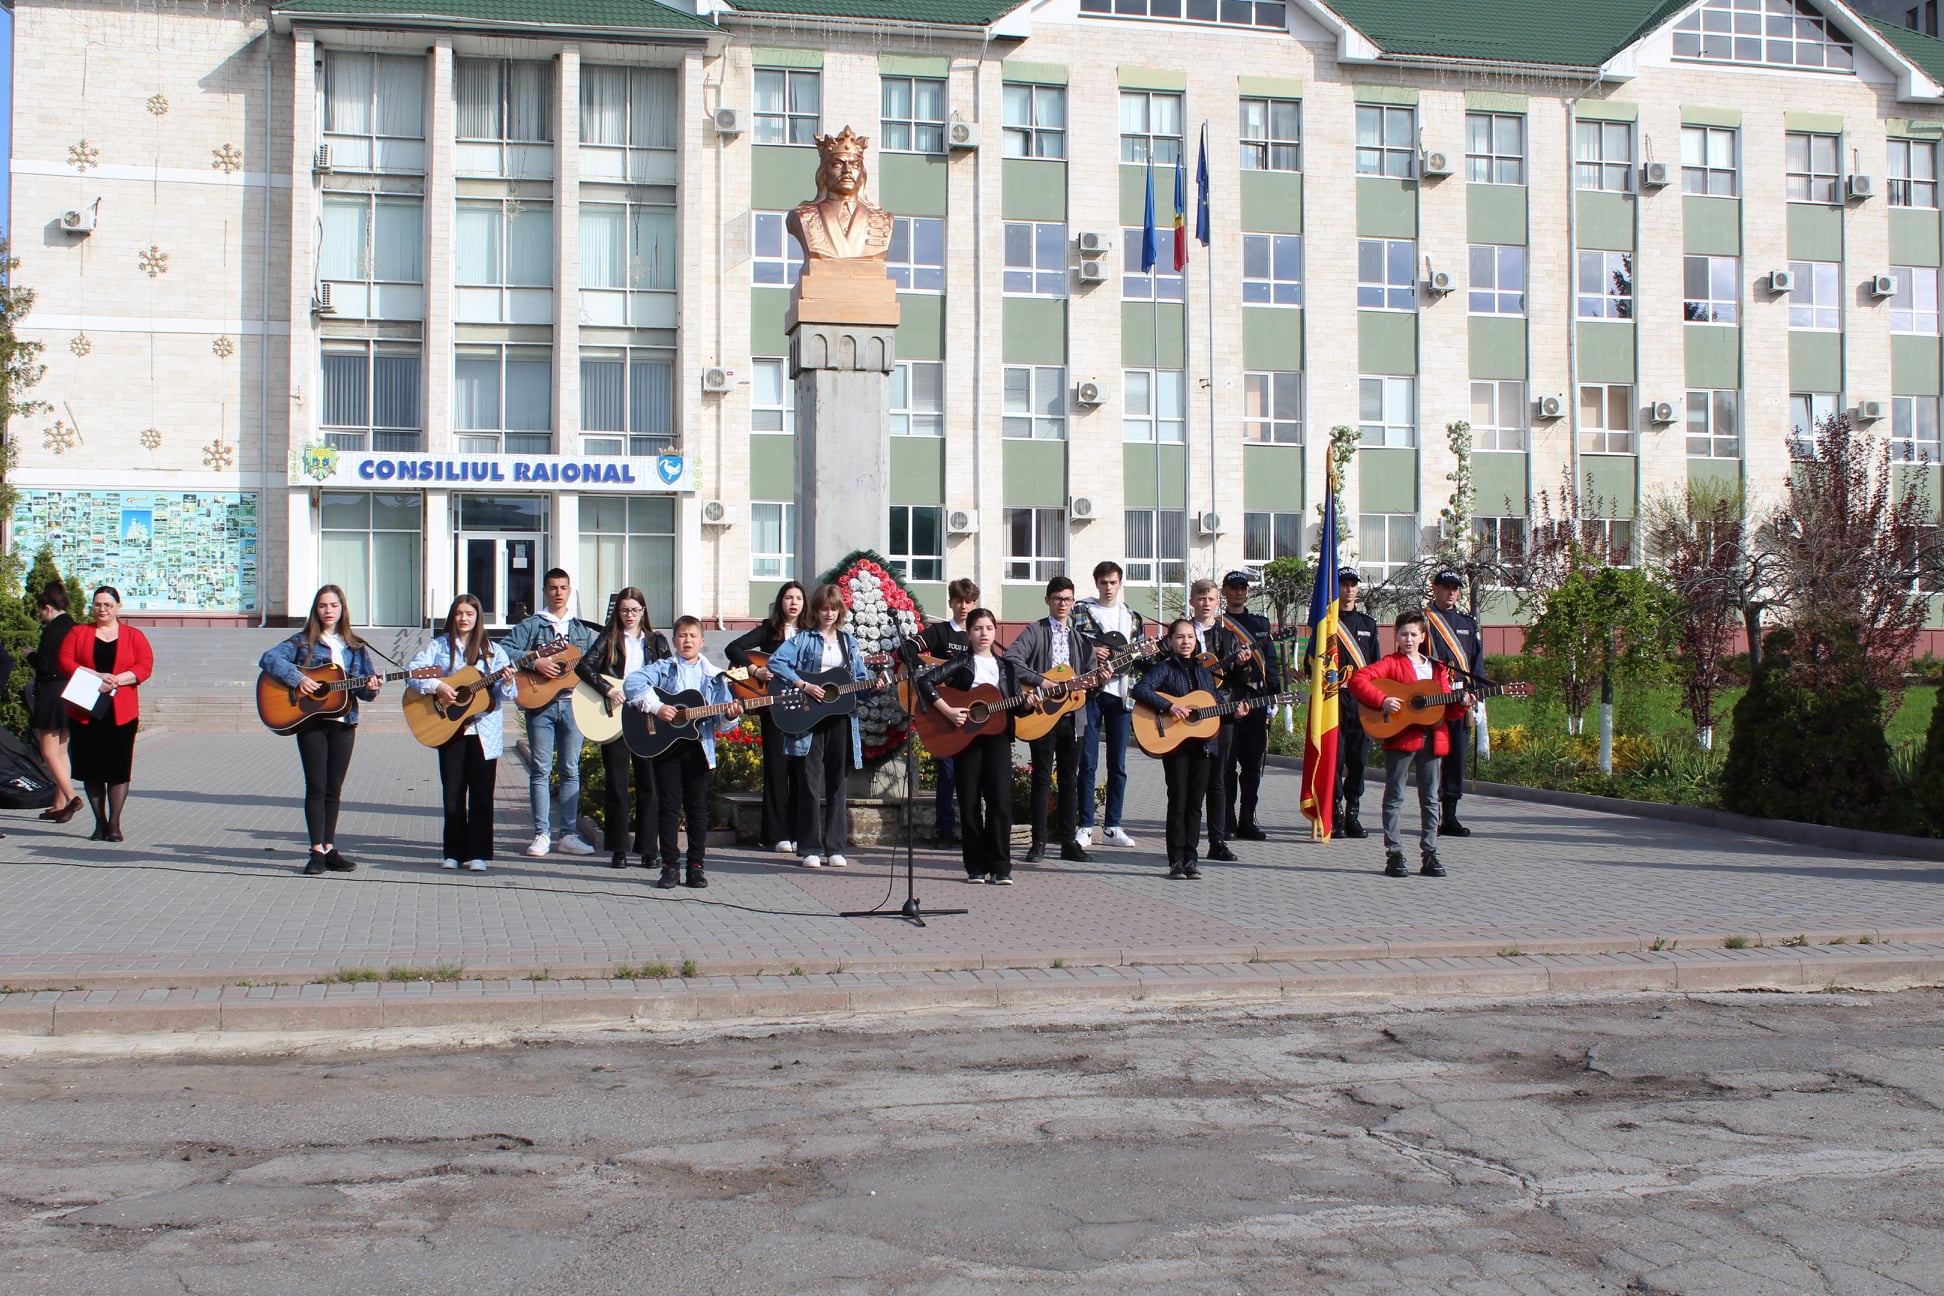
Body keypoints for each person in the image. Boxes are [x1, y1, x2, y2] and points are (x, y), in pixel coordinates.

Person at [257, 585, 384, 875]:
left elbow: (364, 691)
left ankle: (329, 848)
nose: (328, 611)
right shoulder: (303, 642)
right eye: (323, 605)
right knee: (316, 785)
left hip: (344, 722)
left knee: (334, 788)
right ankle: (315, 851)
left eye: (334, 605)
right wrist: (298, 679)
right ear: (316, 609)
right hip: (311, 722)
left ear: (342, 609)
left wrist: (372, 687)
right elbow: (269, 658)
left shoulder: (355, 646)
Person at [624, 616, 744, 890]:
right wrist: (657, 708)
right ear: (674, 640)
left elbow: (723, 723)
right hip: (667, 746)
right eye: (682, 636)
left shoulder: (715, 676)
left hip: (700, 747)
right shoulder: (664, 667)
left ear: (702, 641)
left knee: (697, 809)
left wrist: (730, 715)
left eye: (692, 636)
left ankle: (696, 866)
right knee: (668, 807)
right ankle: (669, 865)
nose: (687, 641)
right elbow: (632, 683)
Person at [767, 583, 881, 868]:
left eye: (834, 609)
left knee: (837, 783)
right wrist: (803, 684)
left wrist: (874, 685)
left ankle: (835, 847)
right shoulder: (803, 640)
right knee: (808, 783)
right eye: (824, 609)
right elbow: (776, 662)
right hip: (809, 719)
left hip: (841, 718)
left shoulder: (848, 643)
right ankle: (809, 848)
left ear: (840, 611)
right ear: (815, 611)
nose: (829, 614)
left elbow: (859, 683)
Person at [1347, 610, 1468, 878]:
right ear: (1396, 636)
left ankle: (1430, 853)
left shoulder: (1437, 668)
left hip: (1433, 738)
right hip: (1401, 736)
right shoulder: (1391, 663)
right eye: (1403, 634)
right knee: (1395, 796)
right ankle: (1394, 853)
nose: (1409, 639)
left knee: (1430, 798)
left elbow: (1445, 708)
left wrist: (1461, 704)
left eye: (1414, 634)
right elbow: (1357, 680)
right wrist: (1382, 700)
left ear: (1423, 637)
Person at [409, 594, 518, 873]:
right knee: (453, 793)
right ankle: (453, 852)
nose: (464, 619)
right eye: (459, 613)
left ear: (478, 617)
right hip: (450, 729)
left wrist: (507, 682)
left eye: (469, 613)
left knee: (482, 794)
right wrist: (438, 686)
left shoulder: (493, 651)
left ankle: (479, 853)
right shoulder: (439, 646)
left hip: (484, 731)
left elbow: (508, 694)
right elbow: (413, 671)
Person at [917, 607, 1024, 884]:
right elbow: (925, 681)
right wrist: (949, 711)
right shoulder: (962, 662)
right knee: (969, 802)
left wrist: (1031, 703)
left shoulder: (1007, 667)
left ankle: (1001, 866)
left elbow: (1019, 708)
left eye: (988, 628)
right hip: (966, 738)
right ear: (969, 633)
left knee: (1000, 802)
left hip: (998, 738)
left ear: (995, 631)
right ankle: (975, 866)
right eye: (977, 628)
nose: (983, 634)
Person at [501, 568, 601, 859]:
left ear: (570, 591)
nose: (558, 593)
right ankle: (541, 834)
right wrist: (535, 662)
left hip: (574, 706)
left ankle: (568, 835)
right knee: (541, 770)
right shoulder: (533, 625)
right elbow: (504, 649)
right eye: (553, 587)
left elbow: (593, 663)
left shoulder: (581, 630)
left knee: (570, 770)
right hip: (541, 705)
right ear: (544, 591)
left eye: (563, 587)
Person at [1004, 575, 1096, 864]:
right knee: (1041, 779)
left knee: (1070, 780)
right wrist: (1042, 682)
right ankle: (1039, 842)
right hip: (1042, 715)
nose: (1062, 604)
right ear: (1047, 600)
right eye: (1057, 598)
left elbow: (1091, 677)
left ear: (1073, 602)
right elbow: (1011, 660)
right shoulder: (1036, 630)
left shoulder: (1081, 640)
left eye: (1067, 599)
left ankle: (1069, 842)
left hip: (1073, 718)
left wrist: (1101, 678)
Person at [576, 586, 669, 869]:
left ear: (643, 611)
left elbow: (668, 674)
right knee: (617, 783)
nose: (630, 615)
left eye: (635, 610)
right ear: (618, 612)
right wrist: (607, 689)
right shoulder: (609, 637)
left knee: (649, 783)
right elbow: (584, 666)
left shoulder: (656, 641)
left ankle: (648, 848)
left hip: (646, 714)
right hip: (615, 714)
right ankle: (618, 848)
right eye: (625, 610)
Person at [57, 586, 154, 842]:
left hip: (121, 712)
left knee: (118, 768)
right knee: (91, 769)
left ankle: (114, 824)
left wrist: (116, 680)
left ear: (118, 607)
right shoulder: (79, 632)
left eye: (108, 605)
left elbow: (145, 667)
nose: (102, 610)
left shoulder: (134, 635)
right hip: (85, 711)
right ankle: (99, 822)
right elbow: (65, 661)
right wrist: (95, 675)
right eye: (97, 604)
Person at [1133, 619, 1226, 880]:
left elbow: (1214, 704)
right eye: (1180, 637)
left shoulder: (1204, 672)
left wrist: (1237, 710)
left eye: (1190, 637)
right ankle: (1175, 860)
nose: (1186, 642)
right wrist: (1169, 706)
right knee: (1178, 801)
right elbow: (1140, 689)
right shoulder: (1164, 668)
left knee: (1195, 804)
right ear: (1171, 641)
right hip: (1175, 745)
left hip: (1203, 745)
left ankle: (1191, 859)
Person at [726, 581, 807, 855]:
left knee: (802, 771)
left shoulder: (811, 633)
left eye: (798, 598)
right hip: (772, 706)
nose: (793, 603)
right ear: (780, 601)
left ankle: (800, 833)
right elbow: (733, 648)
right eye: (788, 598)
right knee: (776, 769)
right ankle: (777, 834)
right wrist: (754, 670)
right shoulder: (768, 629)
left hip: (802, 708)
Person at [1071, 561, 1144, 851]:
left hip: (1121, 695)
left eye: (1113, 582)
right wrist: (1092, 650)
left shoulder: (1132, 617)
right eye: (1104, 582)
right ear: (1096, 583)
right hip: (1090, 694)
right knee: (1087, 762)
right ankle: (1085, 826)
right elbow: (1069, 644)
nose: (1108, 588)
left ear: (1120, 583)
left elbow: (1140, 655)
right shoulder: (1081, 610)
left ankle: (1113, 826)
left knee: (1118, 764)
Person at [1304, 569, 1381, 839]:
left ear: (1358, 589)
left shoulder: (1368, 624)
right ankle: (1334, 812)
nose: (1348, 589)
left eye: (1352, 585)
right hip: (1333, 700)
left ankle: (1352, 813)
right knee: (1334, 759)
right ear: (1335, 588)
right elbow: (1310, 664)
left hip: (1360, 701)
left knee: (1358, 759)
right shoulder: (1326, 622)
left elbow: (1376, 666)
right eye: (1343, 584)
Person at [1186, 578, 1254, 863]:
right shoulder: (1182, 634)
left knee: (1218, 779)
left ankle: (1217, 841)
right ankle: (1184, 843)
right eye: (1201, 598)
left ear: (1218, 602)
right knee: (1188, 780)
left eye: (1211, 599)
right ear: (1192, 602)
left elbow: (1238, 682)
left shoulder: (1228, 638)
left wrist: (1243, 666)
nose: (1206, 603)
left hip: (1220, 714)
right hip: (1188, 715)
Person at [915, 577, 977, 848]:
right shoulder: (939, 632)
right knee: (947, 773)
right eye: (959, 601)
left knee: (971, 775)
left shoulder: (977, 633)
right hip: (943, 711)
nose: (964, 607)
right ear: (950, 603)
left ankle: (971, 831)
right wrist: (925, 667)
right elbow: (909, 648)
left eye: (969, 602)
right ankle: (944, 831)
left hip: (972, 713)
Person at [1220, 570, 1281, 841]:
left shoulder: (1260, 623)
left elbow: (1271, 661)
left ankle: (1247, 818)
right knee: (1227, 765)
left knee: (1253, 764)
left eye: (1243, 588)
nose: (1238, 592)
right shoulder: (1219, 625)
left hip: (1256, 699)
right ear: (1224, 591)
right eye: (1233, 588)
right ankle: (1227, 820)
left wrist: (1274, 694)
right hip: (1229, 699)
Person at [1424, 570, 1485, 837]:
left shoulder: (1467, 622)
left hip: (1460, 699)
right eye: (1446, 587)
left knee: (1456, 757)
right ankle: (1430, 815)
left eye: (1455, 588)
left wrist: (1477, 694)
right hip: (1432, 699)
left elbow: (1476, 662)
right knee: (1429, 758)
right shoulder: (1424, 621)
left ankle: (1450, 815)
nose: (1451, 592)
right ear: (1434, 588)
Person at [28, 582, 82, 825]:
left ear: (48, 608)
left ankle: (71, 797)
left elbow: (45, 665)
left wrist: (29, 655)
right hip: (70, 691)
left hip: (51, 692)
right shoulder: (74, 626)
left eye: (41, 611)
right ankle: (59, 804)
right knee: (62, 750)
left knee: (48, 750)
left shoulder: (52, 630)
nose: (41, 616)